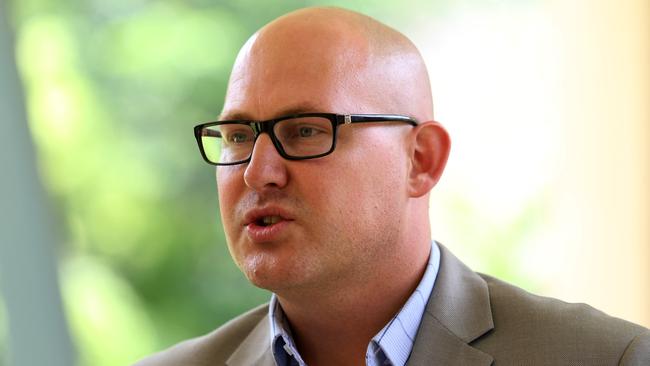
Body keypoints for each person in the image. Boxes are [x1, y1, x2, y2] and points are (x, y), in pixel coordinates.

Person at [135, 6, 649, 366]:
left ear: (420, 161)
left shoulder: (607, 358)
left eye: (306, 130)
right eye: (238, 135)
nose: (257, 171)